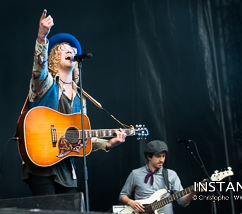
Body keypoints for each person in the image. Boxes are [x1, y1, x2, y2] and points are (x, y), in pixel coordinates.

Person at [22, 9, 127, 196]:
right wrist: (41, 37)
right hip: (40, 160)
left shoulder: (81, 98)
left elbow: (78, 136)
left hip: (66, 168)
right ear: (54, 56)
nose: (71, 50)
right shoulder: (45, 84)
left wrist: (108, 144)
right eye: (64, 48)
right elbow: (39, 68)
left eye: (73, 49)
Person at [119, 140, 201, 214]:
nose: (162, 160)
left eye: (163, 156)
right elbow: (123, 195)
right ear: (149, 157)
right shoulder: (135, 174)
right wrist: (131, 202)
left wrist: (194, 192)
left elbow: (183, 201)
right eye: (158, 156)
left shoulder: (171, 174)